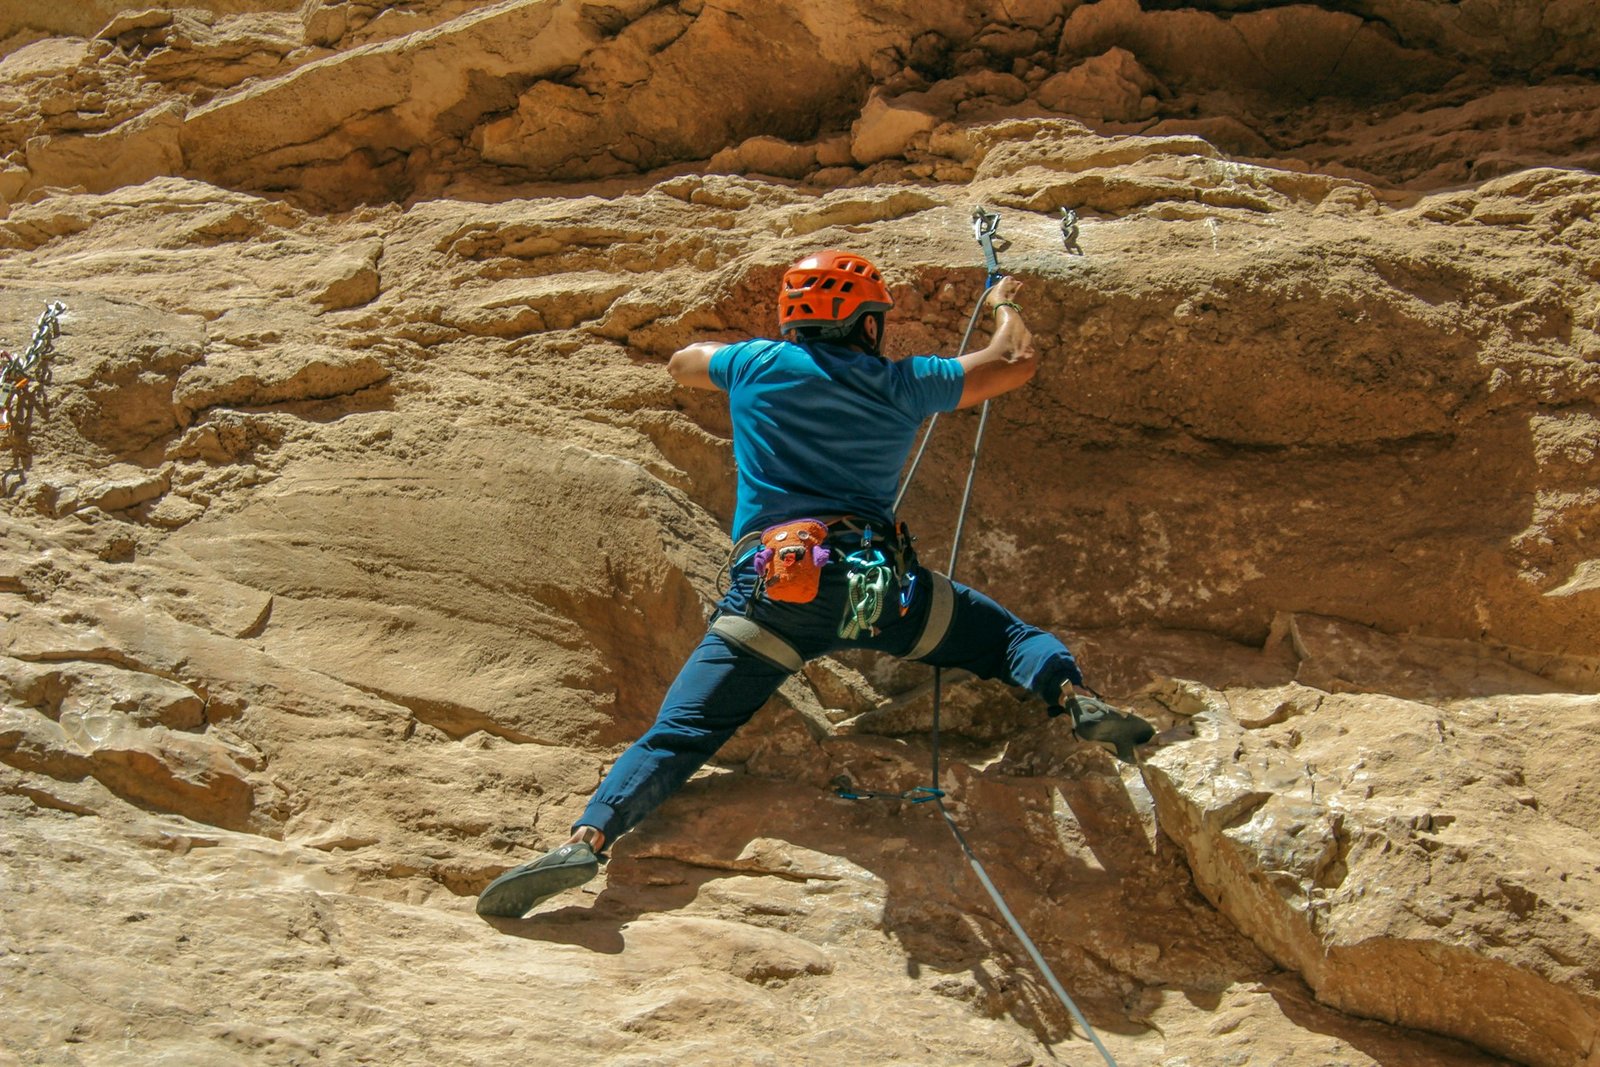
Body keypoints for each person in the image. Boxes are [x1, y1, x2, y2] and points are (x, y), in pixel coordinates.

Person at [476, 249, 1154, 919]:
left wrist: (743, 359)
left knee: (680, 733)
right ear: (867, 323)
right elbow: (1014, 360)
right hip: (882, 591)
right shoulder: (904, 381)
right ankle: (1075, 695)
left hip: (775, 595)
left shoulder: (755, 364)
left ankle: (588, 839)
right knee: (1005, 638)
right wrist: (1005, 301)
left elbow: (684, 363)